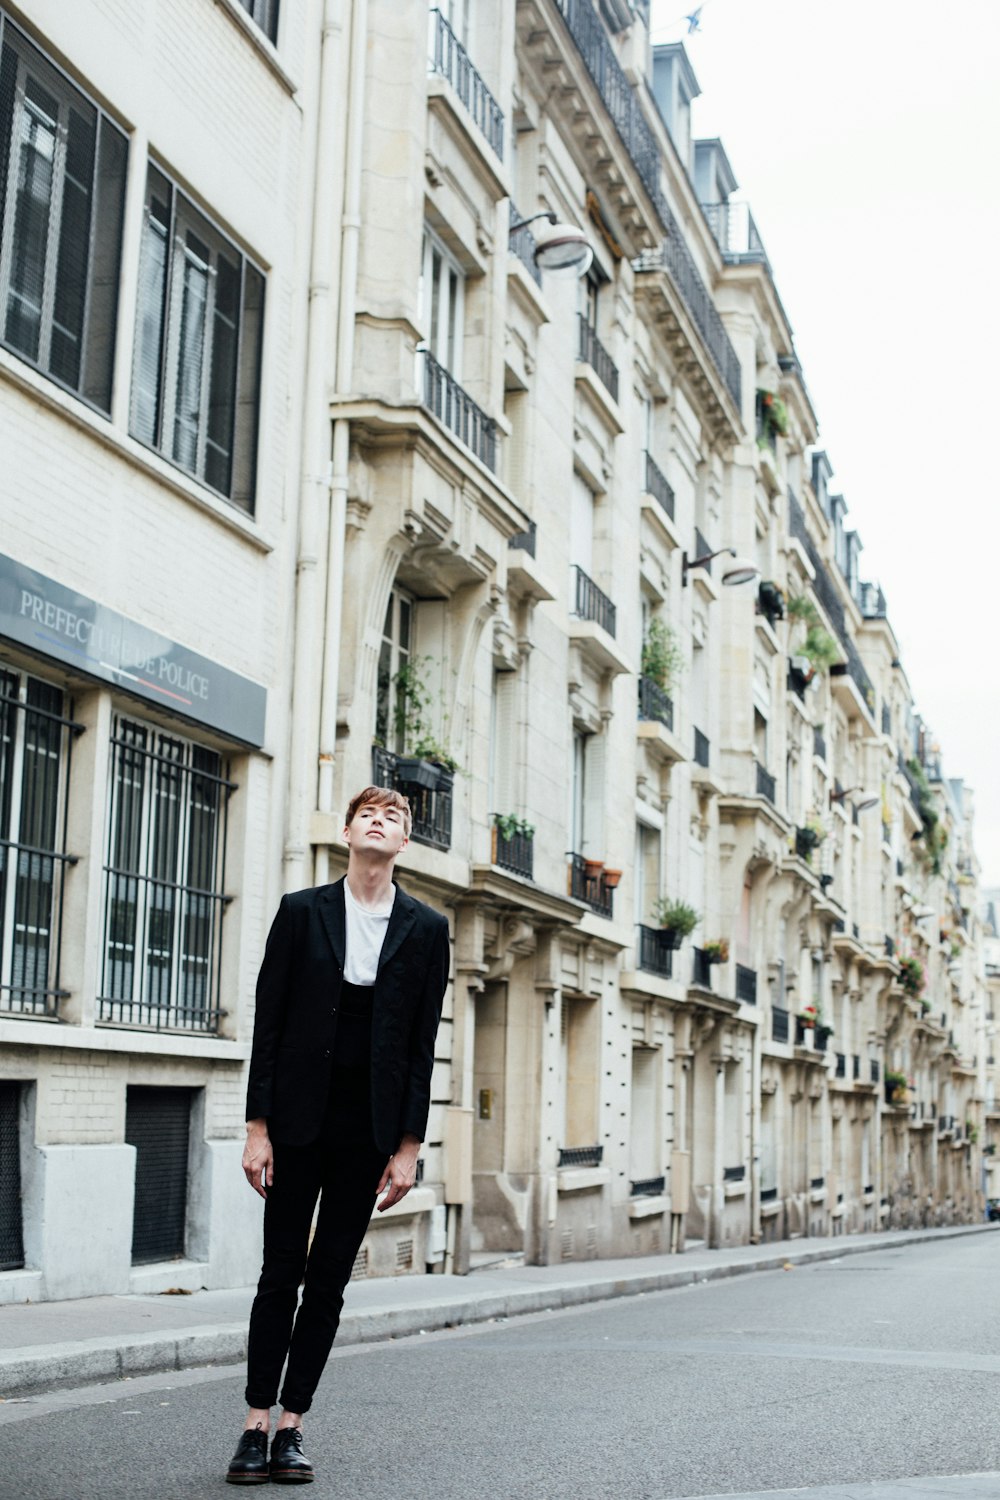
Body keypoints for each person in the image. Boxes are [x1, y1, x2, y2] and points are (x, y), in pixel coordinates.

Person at [226, 785, 450, 1485]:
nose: (380, 822)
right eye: (369, 814)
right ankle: (253, 1424)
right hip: (296, 1119)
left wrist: (410, 1148)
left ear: (404, 843)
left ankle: (293, 1426)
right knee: (279, 1273)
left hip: (368, 1127)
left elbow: (421, 1046)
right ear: (348, 832)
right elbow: (271, 1021)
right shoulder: (302, 912)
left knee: (328, 1282)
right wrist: (257, 1127)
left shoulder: (427, 927)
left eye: (395, 818)